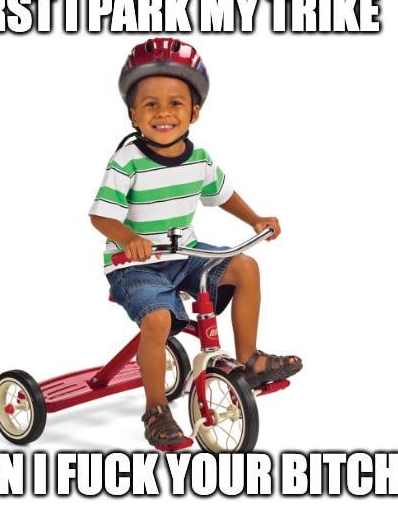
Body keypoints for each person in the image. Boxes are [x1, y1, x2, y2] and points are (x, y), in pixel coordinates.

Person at [89, 38, 302, 449]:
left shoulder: (198, 158)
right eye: (150, 104)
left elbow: (222, 194)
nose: (163, 113)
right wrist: (129, 239)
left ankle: (249, 359)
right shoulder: (127, 161)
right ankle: (156, 409)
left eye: (175, 103)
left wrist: (255, 219)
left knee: (245, 267)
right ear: (133, 113)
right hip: (134, 265)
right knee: (158, 321)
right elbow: (100, 215)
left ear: (194, 112)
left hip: (184, 255)